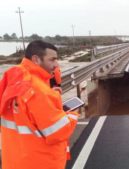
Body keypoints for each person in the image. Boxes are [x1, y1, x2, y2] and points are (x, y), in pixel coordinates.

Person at [0, 40, 79, 169]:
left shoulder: (13, 77)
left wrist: (49, 96)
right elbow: (58, 132)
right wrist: (72, 116)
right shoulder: (37, 90)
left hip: (15, 160)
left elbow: (24, 113)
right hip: (39, 162)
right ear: (36, 59)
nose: (56, 64)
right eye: (52, 60)